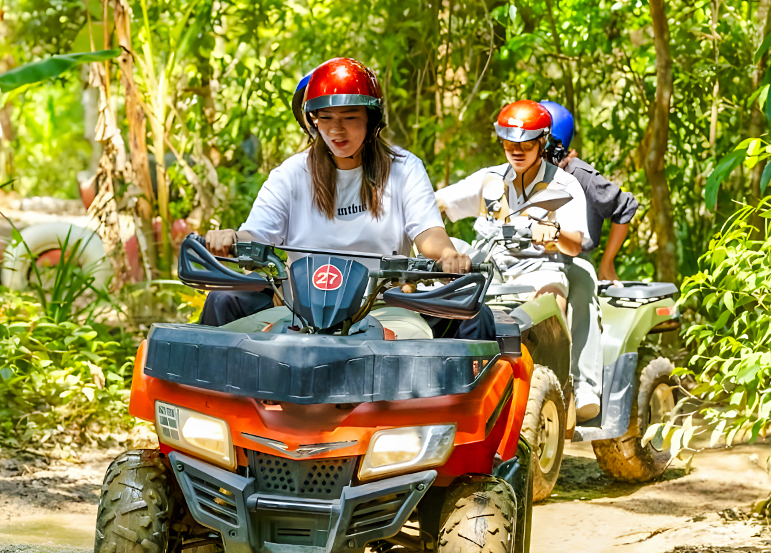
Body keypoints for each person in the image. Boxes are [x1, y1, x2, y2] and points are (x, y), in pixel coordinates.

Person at [199, 58, 493, 341]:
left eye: (350, 118)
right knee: (223, 299)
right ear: (312, 122)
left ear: (371, 120)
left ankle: (464, 392)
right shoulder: (291, 173)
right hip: (297, 311)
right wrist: (233, 238)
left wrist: (447, 255)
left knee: (476, 313)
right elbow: (257, 234)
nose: (336, 130)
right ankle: (207, 391)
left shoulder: (404, 168)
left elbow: (429, 233)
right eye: (325, 119)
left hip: (383, 308)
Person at [434, 100, 591, 306]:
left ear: (542, 142)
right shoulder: (489, 179)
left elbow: (574, 246)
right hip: (486, 268)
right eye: (510, 144)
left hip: (539, 271)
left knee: (548, 309)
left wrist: (554, 232)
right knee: (435, 286)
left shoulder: (564, 185)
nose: (517, 152)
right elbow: (436, 203)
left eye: (526, 145)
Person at [539, 100, 639, 422]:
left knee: (582, 291)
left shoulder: (580, 175)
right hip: (531, 261)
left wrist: (608, 261)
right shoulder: (524, 174)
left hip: (572, 258)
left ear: (555, 143)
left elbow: (625, 205)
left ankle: (585, 387)